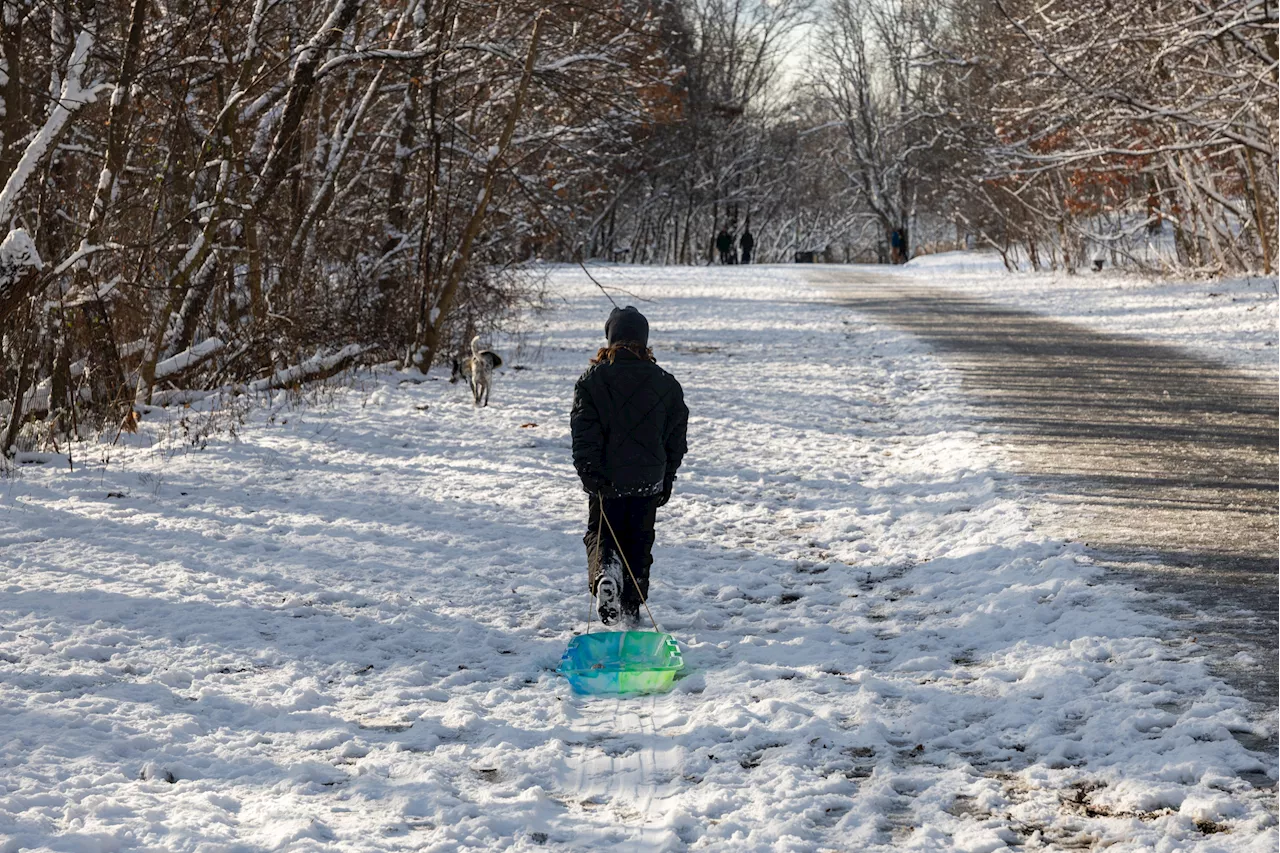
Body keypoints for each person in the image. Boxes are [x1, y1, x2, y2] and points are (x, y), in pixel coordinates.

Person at [571, 306, 689, 628]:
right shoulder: (666, 384)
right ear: (644, 341)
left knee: (601, 533)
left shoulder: (592, 382)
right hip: (648, 480)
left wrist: (589, 474)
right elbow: (676, 438)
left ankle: (606, 575)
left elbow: (584, 434)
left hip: (607, 481)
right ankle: (631, 608)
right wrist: (667, 476)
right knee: (638, 542)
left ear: (610, 340)